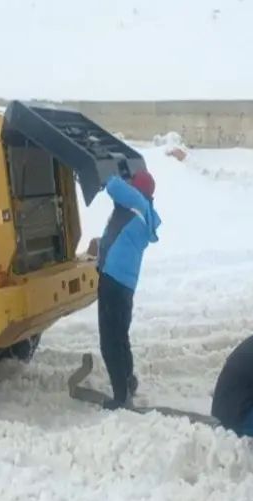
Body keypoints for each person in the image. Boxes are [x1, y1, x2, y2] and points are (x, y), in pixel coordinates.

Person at [96, 169, 161, 410]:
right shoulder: (144, 210)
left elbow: (113, 185)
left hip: (112, 278)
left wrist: (116, 174)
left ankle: (120, 395)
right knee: (120, 335)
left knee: (110, 341)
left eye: (132, 182)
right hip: (125, 283)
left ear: (137, 188)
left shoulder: (135, 201)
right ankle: (128, 382)